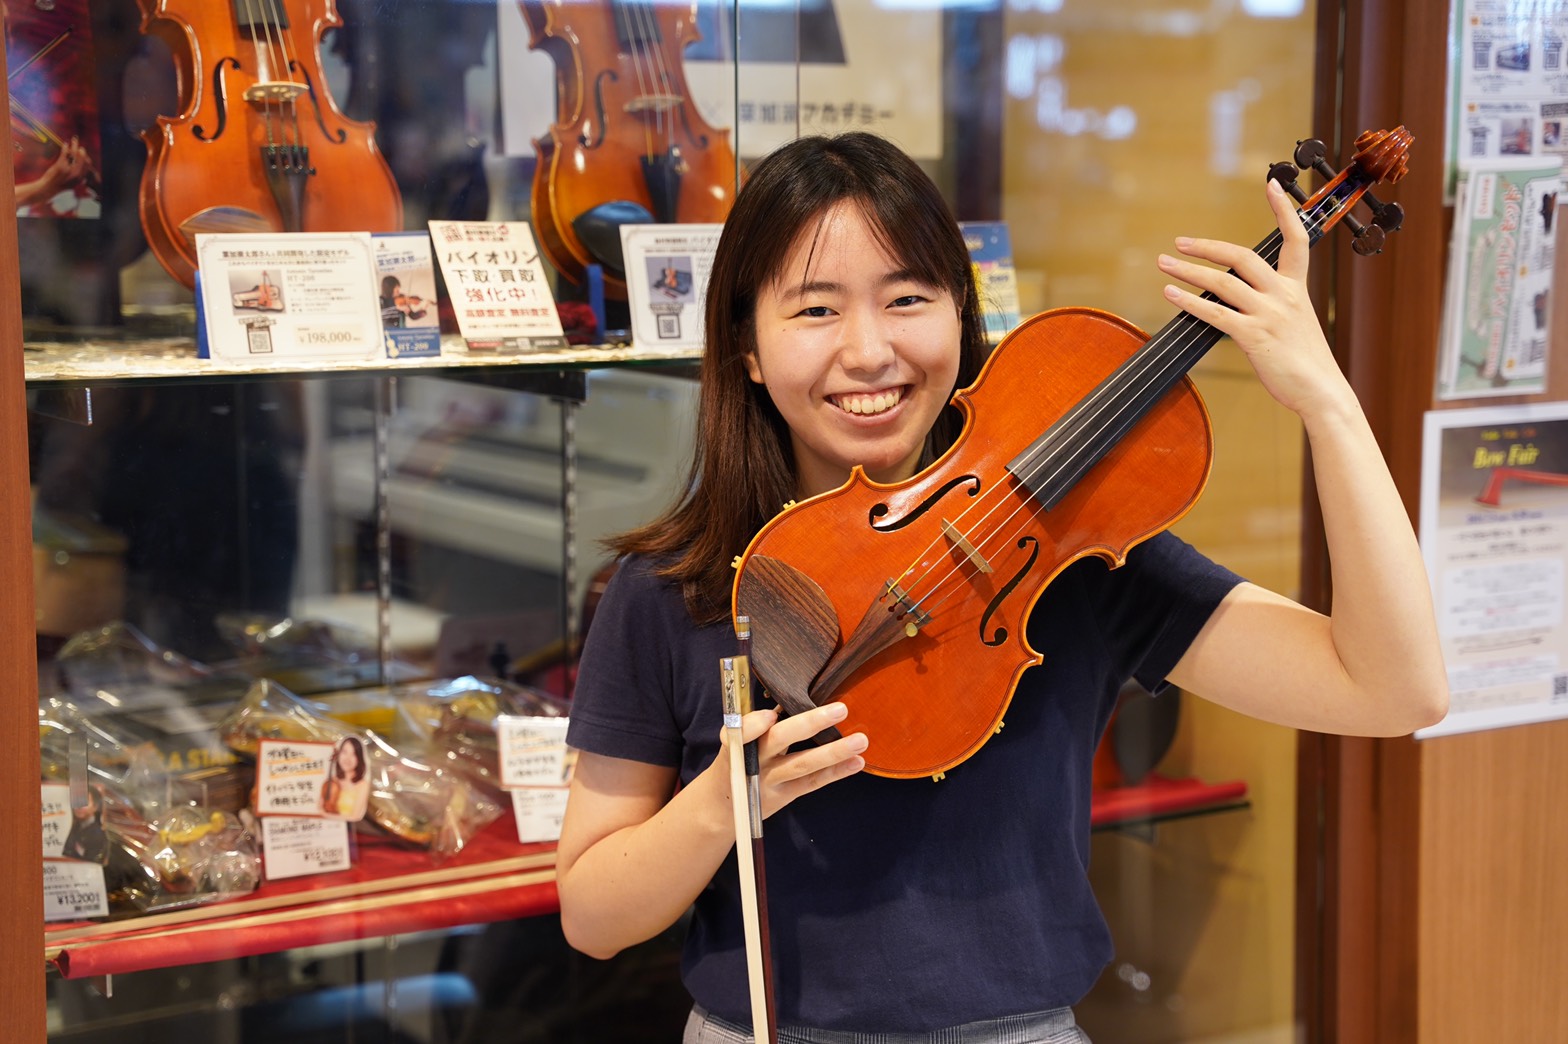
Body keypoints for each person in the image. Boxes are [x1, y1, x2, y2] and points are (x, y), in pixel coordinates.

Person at [556, 131, 1447, 1041]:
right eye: (815, 311)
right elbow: (592, 917)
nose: (869, 352)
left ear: (959, 316)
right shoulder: (677, 589)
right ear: (745, 345)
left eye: (908, 298)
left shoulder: (1066, 553)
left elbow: (1392, 688)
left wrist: (1328, 405)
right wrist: (723, 801)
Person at [321, 736, 370, 821]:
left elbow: (355, 816)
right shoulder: (331, 781)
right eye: (344, 752)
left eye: (354, 754)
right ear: (339, 754)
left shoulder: (362, 785)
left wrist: (326, 816)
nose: (348, 758)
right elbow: (320, 807)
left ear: (359, 758)